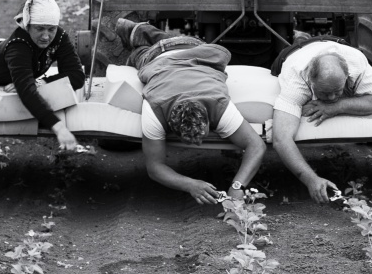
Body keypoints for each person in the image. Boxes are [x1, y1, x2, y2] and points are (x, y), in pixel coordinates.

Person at [114, 18, 266, 205]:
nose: (200, 143)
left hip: (182, 51)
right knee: (138, 55)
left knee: (152, 47)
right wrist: (190, 184)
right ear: (170, 122)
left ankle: (141, 31)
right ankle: (142, 32)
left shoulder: (218, 105)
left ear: (208, 116)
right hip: (175, 53)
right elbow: (153, 169)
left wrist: (237, 186)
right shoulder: (155, 109)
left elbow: (257, 146)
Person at [0, 0, 85, 152]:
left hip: (0, 49)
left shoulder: (59, 37)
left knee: (2, 47)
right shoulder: (18, 47)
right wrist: (59, 128)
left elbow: (77, 76)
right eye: (40, 29)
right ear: (27, 24)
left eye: (51, 29)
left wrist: (42, 82)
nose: (46, 36)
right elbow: (27, 93)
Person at [271, 39, 372, 203]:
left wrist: (337, 107)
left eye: (337, 91)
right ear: (311, 81)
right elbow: (281, 139)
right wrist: (310, 179)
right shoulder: (296, 79)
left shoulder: (356, 61)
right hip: (292, 52)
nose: (332, 97)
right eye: (325, 93)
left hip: (334, 41)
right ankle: (301, 37)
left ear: (346, 75)